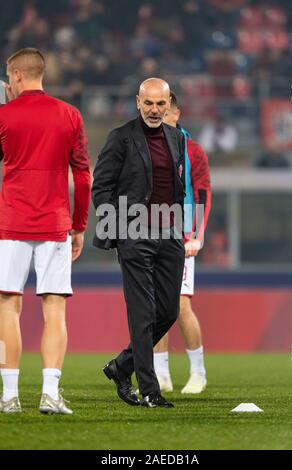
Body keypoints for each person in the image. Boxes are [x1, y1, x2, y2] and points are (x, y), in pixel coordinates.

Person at [0, 48, 91, 414]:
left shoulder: (4, 116)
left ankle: (9, 396)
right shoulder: (69, 115)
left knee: (8, 306)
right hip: (55, 225)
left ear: (17, 76)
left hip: (11, 224)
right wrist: (79, 225)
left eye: (9, 76)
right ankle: (50, 394)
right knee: (55, 310)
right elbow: (83, 178)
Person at [92, 78, 185, 408]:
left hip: (169, 234)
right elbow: (100, 189)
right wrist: (119, 233)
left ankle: (121, 366)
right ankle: (149, 390)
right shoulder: (121, 137)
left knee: (169, 311)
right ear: (137, 102)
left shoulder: (176, 138)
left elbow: (178, 187)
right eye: (149, 103)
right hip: (134, 235)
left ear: (168, 104)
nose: (155, 110)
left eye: (161, 104)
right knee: (143, 314)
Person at [154, 92, 211, 394]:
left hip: (181, 237)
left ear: (176, 114)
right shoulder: (142, 147)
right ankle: (161, 374)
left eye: (164, 110)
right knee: (153, 305)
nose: (158, 116)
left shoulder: (192, 151)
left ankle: (198, 372)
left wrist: (197, 236)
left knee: (179, 304)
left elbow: (202, 194)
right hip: (150, 235)